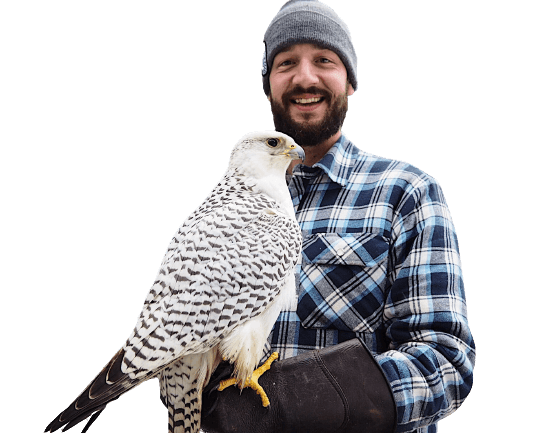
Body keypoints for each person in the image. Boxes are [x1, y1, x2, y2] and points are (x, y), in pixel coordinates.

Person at [201, 1, 475, 432]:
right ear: (269, 85)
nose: (304, 77)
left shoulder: (406, 192)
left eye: (324, 60)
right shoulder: (227, 210)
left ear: (350, 82)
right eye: (286, 62)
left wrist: (308, 400)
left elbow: (445, 363)